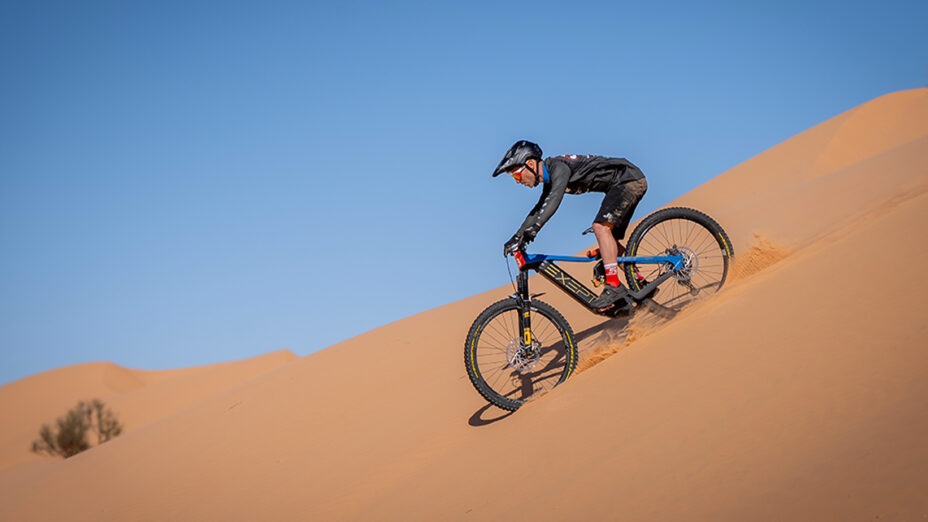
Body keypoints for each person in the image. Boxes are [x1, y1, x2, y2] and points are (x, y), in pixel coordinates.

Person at [493, 140, 647, 311]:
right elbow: (539, 209)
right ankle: (640, 283)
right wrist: (517, 236)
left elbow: (554, 200)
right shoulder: (551, 176)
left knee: (600, 227)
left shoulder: (559, 167)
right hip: (621, 184)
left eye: (516, 175)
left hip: (628, 179)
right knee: (608, 240)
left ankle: (613, 286)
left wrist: (534, 228)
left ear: (530, 164)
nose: (517, 181)